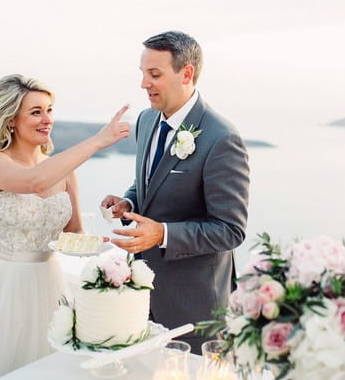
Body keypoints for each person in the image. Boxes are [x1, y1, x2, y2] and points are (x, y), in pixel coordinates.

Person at [0, 74, 129, 380]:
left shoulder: (64, 171)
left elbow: (72, 234)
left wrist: (101, 238)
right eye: (36, 112)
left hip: (48, 285)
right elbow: (33, 182)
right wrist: (98, 140)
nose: (47, 120)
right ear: (11, 120)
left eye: (50, 110)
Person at [101, 31, 250, 353]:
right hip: (139, 293)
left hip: (194, 306)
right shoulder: (146, 119)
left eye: (154, 74)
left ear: (186, 74)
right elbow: (150, 184)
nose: (144, 84)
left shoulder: (221, 138)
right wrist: (129, 200)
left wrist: (162, 234)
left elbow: (230, 230)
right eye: (143, 74)